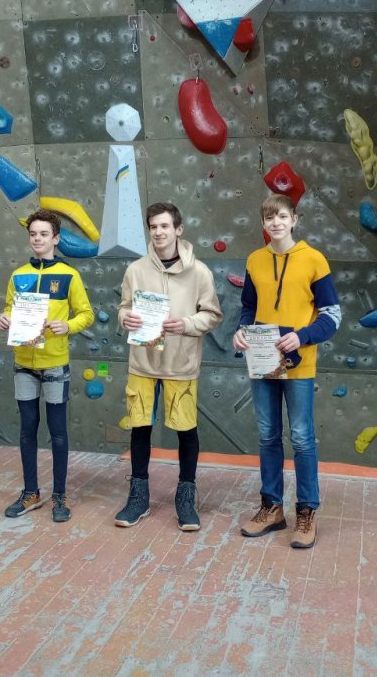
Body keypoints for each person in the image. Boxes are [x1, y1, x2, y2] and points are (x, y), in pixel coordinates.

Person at [232, 194, 341, 548]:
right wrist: (241, 331)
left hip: (300, 364)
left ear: (294, 219)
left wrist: (303, 336)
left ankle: (307, 511)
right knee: (267, 435)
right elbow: (248, 308)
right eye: (269, 218)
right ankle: (272, 508)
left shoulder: (314, 259)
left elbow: (333, 315)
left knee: (302, 438)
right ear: (263, 223)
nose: (275, 223)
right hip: (263, 362)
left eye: (281, 216)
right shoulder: (254, 260)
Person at [115, 203, 223, 531]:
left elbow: (212, 314)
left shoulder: (200, 272)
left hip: (181, 363)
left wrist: (187, 324)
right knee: (140, 429)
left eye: (164, 226)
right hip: (143, 363)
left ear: (178, 229)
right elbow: (124, 307)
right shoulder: (135, 270)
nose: (159, 232)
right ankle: (138, 498)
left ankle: (185, 499)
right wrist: (125, 318)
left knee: (186, 430)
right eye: (153, 227)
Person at [0, 208, 93, 523]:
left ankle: (60, 495)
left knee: (58, 432)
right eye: (33, 234)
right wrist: (4, 318)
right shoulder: (18, 275)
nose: (37, 239)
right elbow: (9, 309)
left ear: (56, 238)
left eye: (43, 234)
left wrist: (69, 326)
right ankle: (31, 493)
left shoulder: (69, 275)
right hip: (23, 363)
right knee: (27, 430)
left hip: (55, 366)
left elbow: (86, 314)